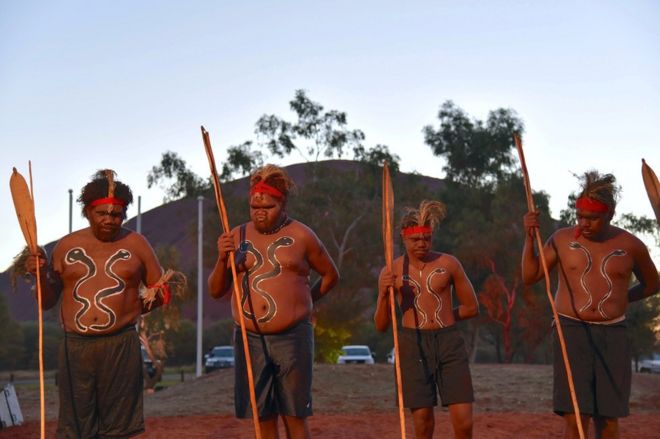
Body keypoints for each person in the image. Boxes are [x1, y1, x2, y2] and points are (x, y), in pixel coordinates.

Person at [24, 169, 168, 438]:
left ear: (124, 214)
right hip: (75, 347)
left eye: (116, 214)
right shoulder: (66, 246)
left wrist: (131, 309)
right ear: (88, 212)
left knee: (120, 428)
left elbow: (161, 290)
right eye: (102, 214)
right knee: (75, 427)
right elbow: (47, 301)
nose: (109, 220)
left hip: (121, 345)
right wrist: (40, 274)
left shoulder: (136, 244)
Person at [522, 171, 659, 439]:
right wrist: (529, 238)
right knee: (575, 414)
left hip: (613, 334)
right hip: (571, 331)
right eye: (580, 216)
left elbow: (653, 284)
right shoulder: (561, 240)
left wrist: (622, 299)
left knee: (608, 419)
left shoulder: (631, 246)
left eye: (592, 218)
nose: (584, 223)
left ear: (610, 214)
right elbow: (530, 276)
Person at [208, 164, 339, 439]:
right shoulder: (236, 237)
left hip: (293, 336)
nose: (260, 212)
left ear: (283, 203)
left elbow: (330, 275)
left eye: (268, 207)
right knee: (263, 417)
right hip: (250, 338)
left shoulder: (302, 235)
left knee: (294, 416)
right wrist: (223, 259)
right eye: (254, 207)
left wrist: (306, 302)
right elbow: (216, 290)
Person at [375, 200, 479, 439]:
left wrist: (443, 318)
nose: (422, 244)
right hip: (412, 344)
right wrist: (383, 294)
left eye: (427, 238)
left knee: (463, 422)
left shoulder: (449, 263)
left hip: (448, 342)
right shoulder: (391, 271)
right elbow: (381, 326)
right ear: (403, 237)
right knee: (422, 422)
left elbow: (472, 307)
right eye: (415, 240)